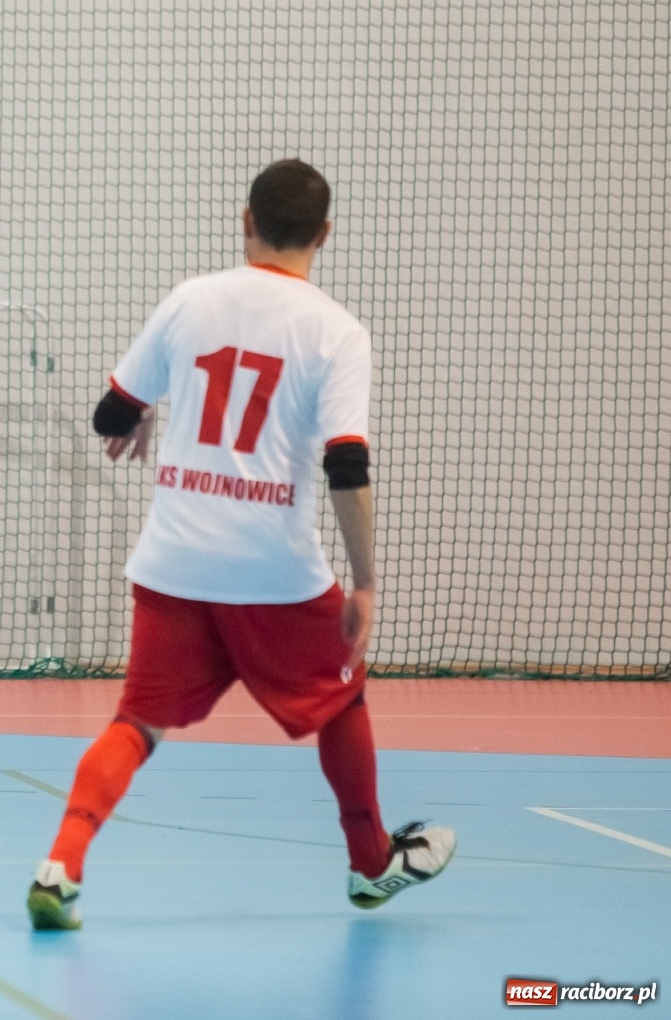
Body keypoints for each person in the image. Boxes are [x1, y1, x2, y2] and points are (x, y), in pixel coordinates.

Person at [26, 159, 454, 930]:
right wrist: (364, 581)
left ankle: (60, 867)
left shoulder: (191, 300)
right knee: (342, 697)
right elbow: (346, 462)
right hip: (274, 571)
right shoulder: (338, 330)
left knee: (136, 723)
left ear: (245, 218)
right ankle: (368, 865)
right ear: (325, 235)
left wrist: (143, 412)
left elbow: (108, 417)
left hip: (173, 561)